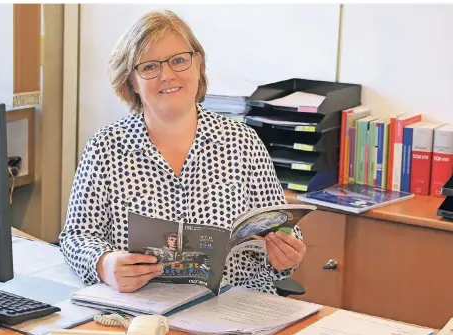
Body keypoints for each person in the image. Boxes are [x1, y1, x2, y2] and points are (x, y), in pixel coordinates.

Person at [59, 10, 306, 294]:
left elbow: (282, 229)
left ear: (198, 65)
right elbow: (77, 236)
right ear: (131, 82)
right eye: (150, 67)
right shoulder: (106, 148)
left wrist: (286, 254)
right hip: (143, 313)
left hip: (235, 308)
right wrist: (102, 263)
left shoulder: (243, 142)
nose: (167, 75)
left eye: (179, 60)